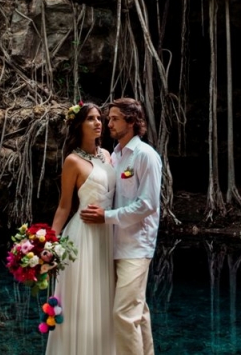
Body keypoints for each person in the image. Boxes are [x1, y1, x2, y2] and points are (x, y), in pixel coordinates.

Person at [80, 98, 162, 355]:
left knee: (124, 314)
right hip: (113, 245)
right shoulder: (114, 154)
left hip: (137, 246)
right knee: (139, 311)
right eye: (109, 118)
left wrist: (107, 216)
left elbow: (147, 204)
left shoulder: (145, 155)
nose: (108, 123)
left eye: (114, 118)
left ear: (132, 121)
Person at [45, 102, 117, 355]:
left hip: (106, 235)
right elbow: (64, 206)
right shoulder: (72, 161)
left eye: (100, 118)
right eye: (91, 119)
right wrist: (50, 244)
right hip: (81, 237)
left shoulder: (108, 155)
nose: (98, 123)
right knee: (82, 301)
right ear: (79, 125)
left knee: (104, 298)